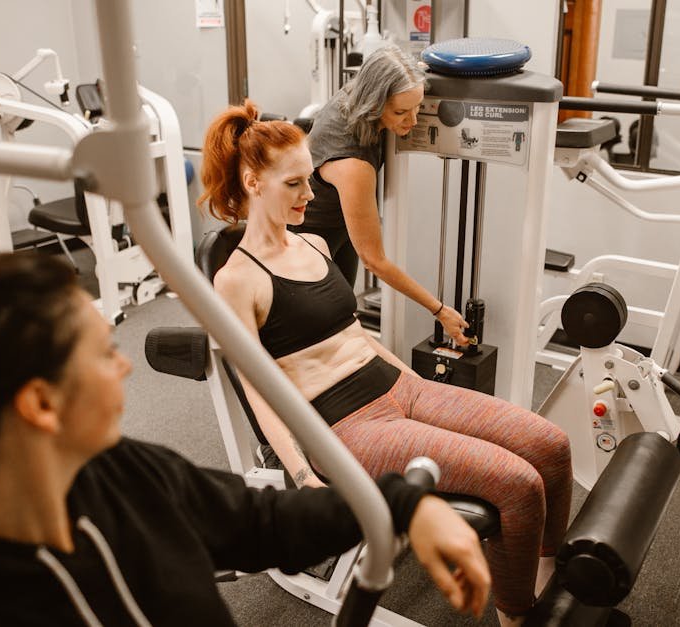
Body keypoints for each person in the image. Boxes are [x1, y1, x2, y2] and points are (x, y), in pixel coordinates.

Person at [0, 252, 490, 626]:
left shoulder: (120, 474)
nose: (125, 365)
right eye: (106, 354)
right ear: (41, 404)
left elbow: (262, 519)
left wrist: (406, 505)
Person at [202, 101, 573, 626]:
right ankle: (517, 616)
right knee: (518, 482)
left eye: (311, 180)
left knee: (550, 446)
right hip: (346, 425)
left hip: (400, 388)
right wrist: (304, 475)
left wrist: (419, 388)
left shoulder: (313, 244)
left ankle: (549, 579)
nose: (311, 194)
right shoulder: (237, 279)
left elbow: (354, 333)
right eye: (295, 184)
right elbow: (257, 388)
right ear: (253, 182)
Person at [290, 44, 470, 346]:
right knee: (313, 334)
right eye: (401, 112)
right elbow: (375, 260)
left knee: (342, 314)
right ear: (374, 103)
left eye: (417, 107)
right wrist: (439, 311)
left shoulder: (362, 88)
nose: (412, 121)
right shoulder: (352, 164)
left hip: (339, 228)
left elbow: (404, 71)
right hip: (304, 238)